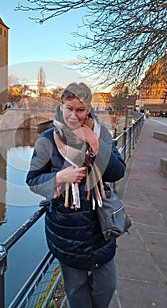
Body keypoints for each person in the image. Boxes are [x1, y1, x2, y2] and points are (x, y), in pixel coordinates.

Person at [26, 82, 126, 308]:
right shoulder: (48, 140)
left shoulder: (101, 134)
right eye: (68, 108)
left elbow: (118, 172)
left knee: (106, 286)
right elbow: (32, 181)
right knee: (76, 293)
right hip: (67, 230)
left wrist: (96, 144)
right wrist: (60, 178)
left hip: (101, 226)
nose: (73, 115)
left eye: (80, 110)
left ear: (88, 110)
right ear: (61, 107)